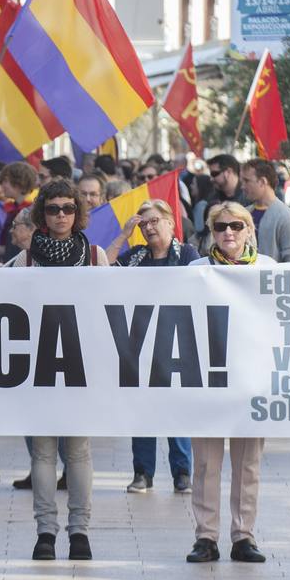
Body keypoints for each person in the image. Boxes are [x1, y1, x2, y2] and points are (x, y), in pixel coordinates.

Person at [8, 179, 105, 561]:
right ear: (42, 214)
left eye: (68, 208)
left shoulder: (95, 255)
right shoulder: (27, 258)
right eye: (53, 209)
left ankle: (79, 532)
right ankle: (45, 533)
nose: (61, 215)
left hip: (81, 363)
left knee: (78, 451)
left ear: (78, 212)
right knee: (43, 454)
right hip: (37, 361)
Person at [186, 201, 274, 564]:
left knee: (248, 464)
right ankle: (206, 537)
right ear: (211, 231)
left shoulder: (268, 268)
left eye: (237, 226)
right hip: (207, 380)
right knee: (206, 463)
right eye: (221, 226)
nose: (228, 233)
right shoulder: (196, 270)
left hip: (251, 379)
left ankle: (244, 536)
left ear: (249, 229)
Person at [107, 199, 200, 494]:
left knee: (177, 410)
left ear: (171, 223)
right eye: (143, 224)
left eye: (154, 221)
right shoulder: (136, 256)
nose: (148, 228)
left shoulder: (187, 255)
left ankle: (181, 472)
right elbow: (103, 267)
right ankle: (142, 472)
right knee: (143, 410)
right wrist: (124, 234)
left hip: (177, 342)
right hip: (141, 343)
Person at [241, 159, 290, 263]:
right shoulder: (244, 213)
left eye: (247, 181)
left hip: (271, 278)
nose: (243, 186)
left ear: (262, 182)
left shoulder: (286, 217)